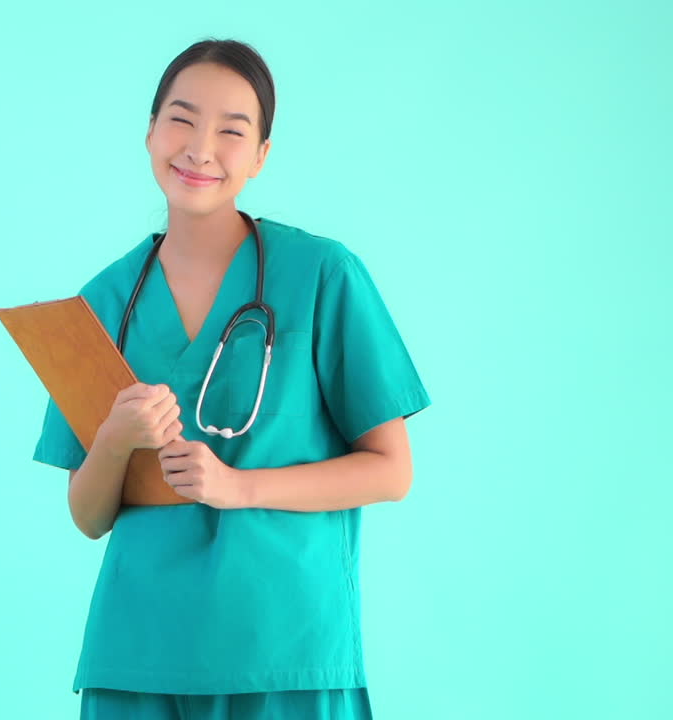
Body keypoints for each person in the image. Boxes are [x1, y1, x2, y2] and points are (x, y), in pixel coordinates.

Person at [32, 39, 432, 720]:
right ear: (151, 131)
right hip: (137, 655)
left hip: (284, 651)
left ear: (261, 156)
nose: (200, 148)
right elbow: (87, 515)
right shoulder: (103, 302)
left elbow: (392, 471)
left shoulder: (322, 276)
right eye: (182, 120)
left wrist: (236, 486)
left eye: (231, 131)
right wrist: (115, 439)